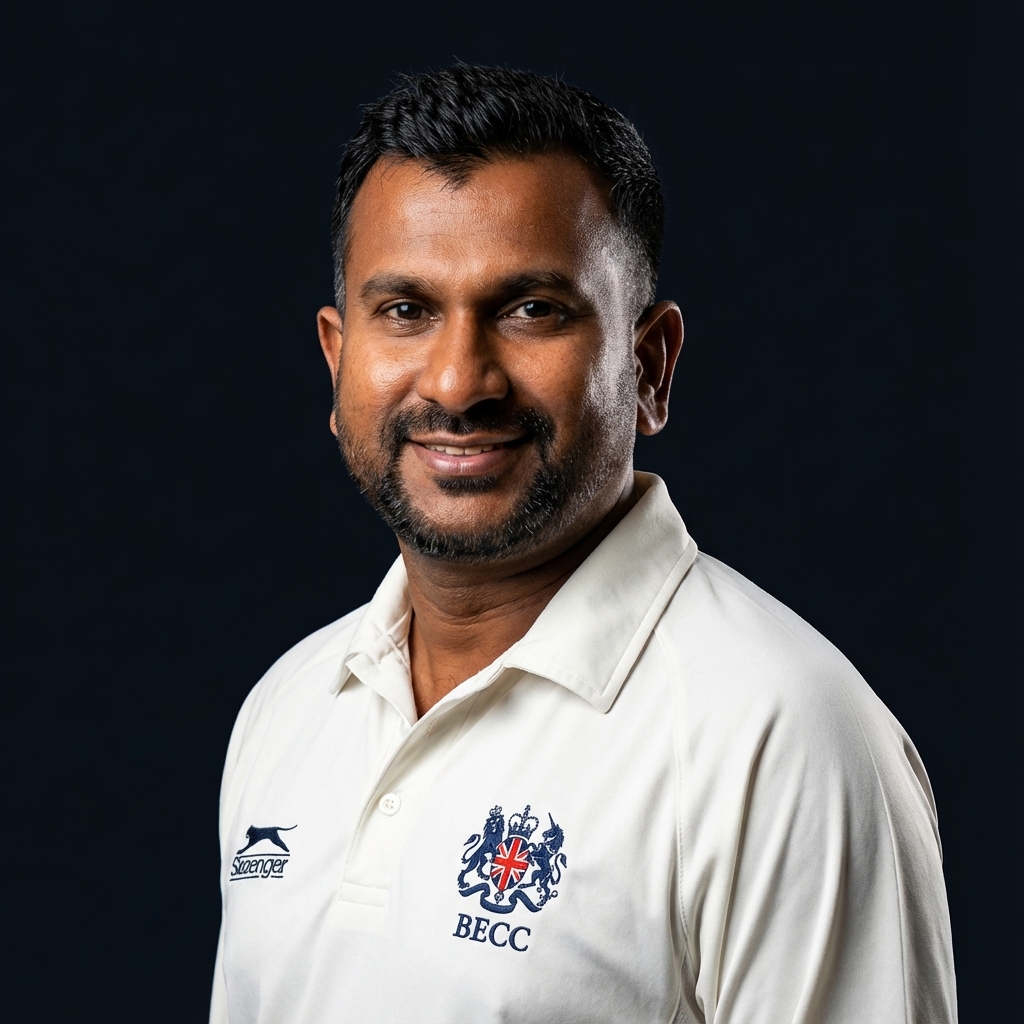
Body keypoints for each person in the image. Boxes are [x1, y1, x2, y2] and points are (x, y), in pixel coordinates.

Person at [210, 65, 956, 1023]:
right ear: (337, 357)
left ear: (649, 366)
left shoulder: (782, 737)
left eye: (532, 310)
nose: (458, 382)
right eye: (406, 311)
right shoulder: (289, 710)